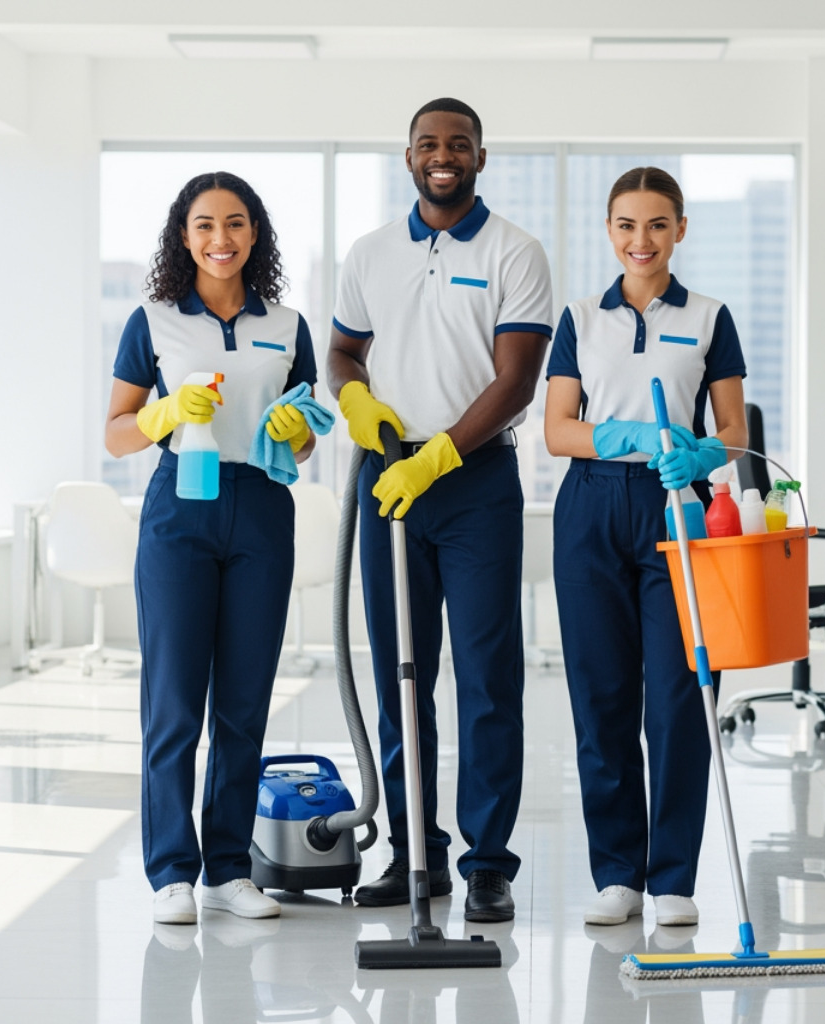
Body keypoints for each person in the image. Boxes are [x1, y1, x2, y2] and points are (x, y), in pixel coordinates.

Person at [327, 98, 553, 922]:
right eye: (429, 143)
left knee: (488, 678)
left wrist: (441, 455)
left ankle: (488, 862)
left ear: (481, 158)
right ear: (409, 156)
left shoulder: (514, 252)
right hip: (388, 479)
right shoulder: (372, 252)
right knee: (400, 674)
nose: (443, 155)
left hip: (476, 484)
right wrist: (356, 402)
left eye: (458, 144)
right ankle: (414, 853)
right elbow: (343, 350)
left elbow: (517, 380)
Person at [106, 172, 322, 924]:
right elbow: (115, 430)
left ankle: (230, 868)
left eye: (234, 224)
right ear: (183, 235)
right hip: (181, 508)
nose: (220, 239)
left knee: (243, 701)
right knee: (173, 701)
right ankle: (172, 868)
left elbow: (304, 424)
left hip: (262, 507)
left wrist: (298, 430)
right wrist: (163, 413)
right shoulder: (154, 319)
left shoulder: (289, 326)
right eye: (204, 226)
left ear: (255, 232)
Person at [542, 166, 748, 928]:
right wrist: (620, 434)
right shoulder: (579, 318)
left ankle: (672, 879)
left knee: (679, 698)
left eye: (657, 225)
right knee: (602, 700)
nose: (642, 240)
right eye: (627, 225)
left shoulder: (709, 316)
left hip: (677, 510)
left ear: (681, 230)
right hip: (592, 505)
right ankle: (617, 874)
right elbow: (558, 428)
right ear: (609, 231)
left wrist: (701, 456)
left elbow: (735, 433)